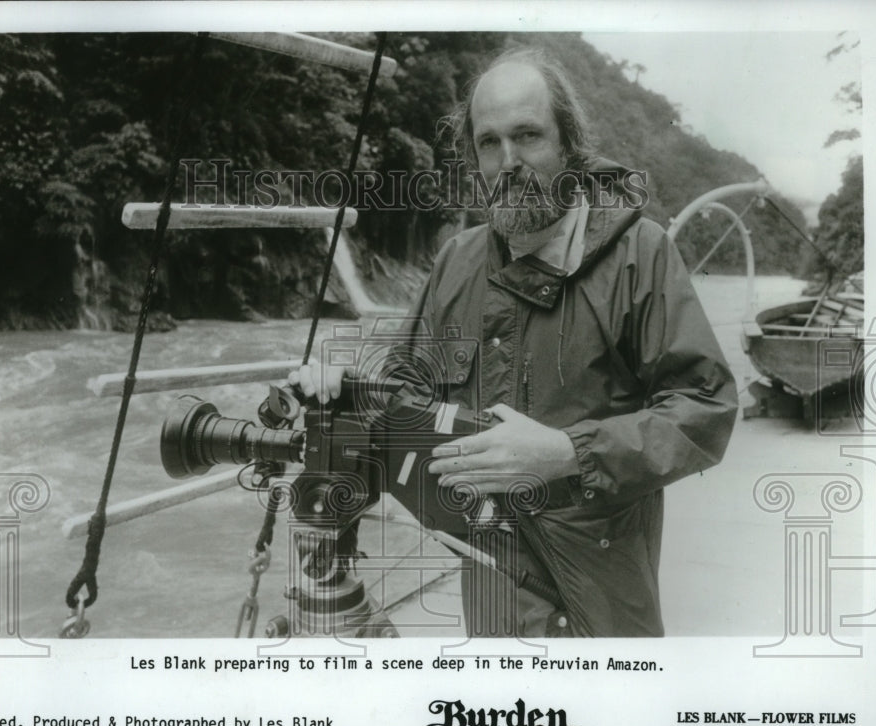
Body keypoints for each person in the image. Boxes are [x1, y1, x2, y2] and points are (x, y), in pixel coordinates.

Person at [291, 47, 738, 637]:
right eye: (489, 142)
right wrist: (346, 389)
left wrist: (570, 453)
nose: (509, 161)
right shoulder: (459, 258)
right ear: (473, 155)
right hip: (490, 586)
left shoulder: (641, 252)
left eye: (528, 136)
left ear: (569, 144)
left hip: (598, 596)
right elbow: (406, 393)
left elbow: (704, 408)